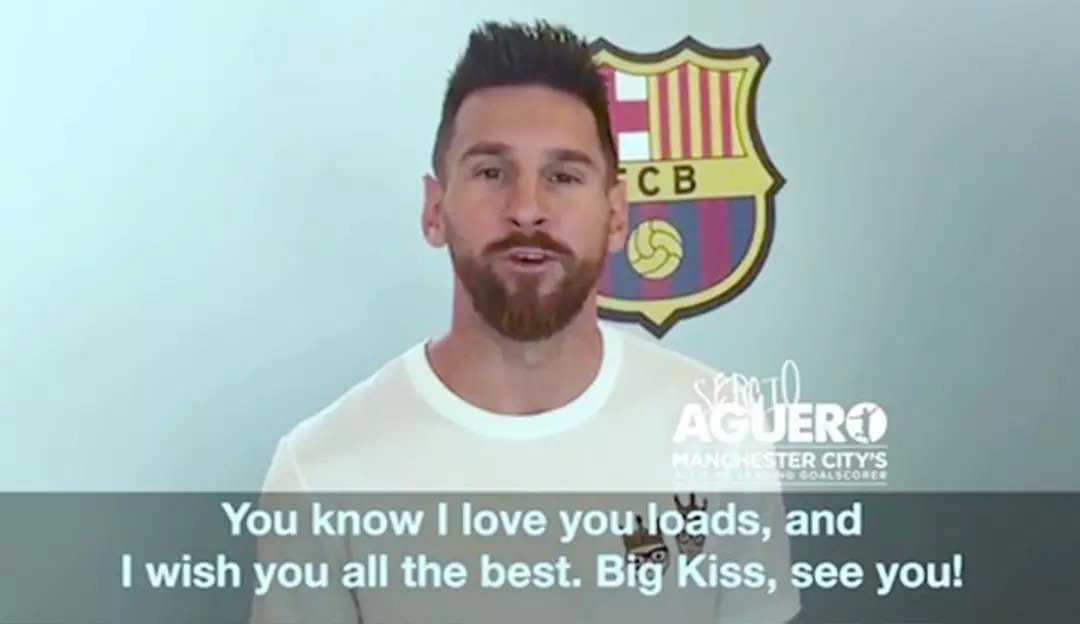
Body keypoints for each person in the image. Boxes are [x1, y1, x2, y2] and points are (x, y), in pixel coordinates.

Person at [250, 19, 800, 624]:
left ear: (617, 216)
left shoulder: (717, 432)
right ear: (434, 210)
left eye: (563, 176)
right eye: (491, 172)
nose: (528, 210)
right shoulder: (318, 471)